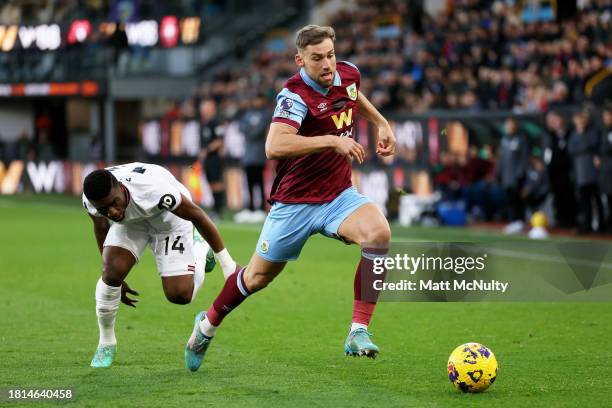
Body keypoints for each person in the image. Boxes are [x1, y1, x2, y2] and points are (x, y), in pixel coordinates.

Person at [184, 24, 396, 372]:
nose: (327, 65)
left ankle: (358, 330)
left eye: (330, 55)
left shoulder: (346, 74)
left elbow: (355, 97)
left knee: (379, 233)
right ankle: (206, 327)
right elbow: (275, 145)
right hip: (295, 204)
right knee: (255, 278)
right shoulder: (294, 96)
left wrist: (382, 123)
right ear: (300, 60)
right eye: (317, 59)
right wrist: (332, 139)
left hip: (339, 196)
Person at [82, 162, 239, 368]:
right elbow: (101, 227)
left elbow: (198, 215)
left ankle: (201, 248)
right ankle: (106, 342)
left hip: (168, 218)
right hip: (132, 223)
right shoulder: (92, 200)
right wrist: (114, 276)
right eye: (104, 209)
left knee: (180, 295)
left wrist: (227, 264)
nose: (111, 212)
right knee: (110, 276)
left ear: (121, 187)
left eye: (114, 203)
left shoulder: (155, 190)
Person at [568, 109, 604, 234]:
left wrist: (582, 136)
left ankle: (601, 225)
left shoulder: (592, 132)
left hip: (593, 172)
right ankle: (587, 224)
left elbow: (591, 145)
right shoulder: (574, 134)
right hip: (580, 172)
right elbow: (571, 149)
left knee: (597, 199)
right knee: (584, 201)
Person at [238, 93, 270, 220]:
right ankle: (250, 208)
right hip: (247, 154)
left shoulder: (266, 114)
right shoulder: (249, 113)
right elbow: (241, 127)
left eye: (259, 99)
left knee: (259, 182)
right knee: (249, 183)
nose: (257, 102)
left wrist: (251, 130)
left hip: (259, 153)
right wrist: (252, 129)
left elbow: (259, 130)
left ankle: (261, 208)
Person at [496, 118, 529, 234]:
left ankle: (520, 222)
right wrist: (498, 173)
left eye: (511, 125)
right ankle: (513, 221)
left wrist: (520, 173)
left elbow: (524, 158)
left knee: (517, 199)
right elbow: (501, 159)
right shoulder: (504, 140)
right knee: (509, 199)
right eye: (507, 126)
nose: (509, 128)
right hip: (506, 176)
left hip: (517, 176)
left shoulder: (521, 139)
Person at [543, 111, 576, 228]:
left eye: (555, 120)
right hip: (554, 174)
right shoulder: (550, 136)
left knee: (569, 198)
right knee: (558, 199)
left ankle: (571, 221)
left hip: (567, 173)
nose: (552, 123)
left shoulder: (570, 133)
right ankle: (561, 222)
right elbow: (547, 155)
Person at [198, 99, 226, 219]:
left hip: (214, 158)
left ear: (212, 109)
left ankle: (218, 210)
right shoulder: (204, 124)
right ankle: (215, 209)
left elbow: (219, 141)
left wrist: (207, 150)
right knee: (211, 184)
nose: (204, 111)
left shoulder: (217, 123)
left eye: (206, 108)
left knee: (216, 183)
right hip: (207, 159)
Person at [597, 103, 612, 231]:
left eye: (608, 115)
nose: (606, 118)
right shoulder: (603, 131)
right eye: (605, 116)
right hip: (606, 172)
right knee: (607, 198)